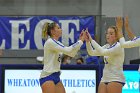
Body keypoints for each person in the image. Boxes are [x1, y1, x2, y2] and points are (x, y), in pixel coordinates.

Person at [39, 22, 85, 93]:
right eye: (58, 28)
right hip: (47, 76)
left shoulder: (58, 43)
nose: (61, 29)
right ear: (52, 31)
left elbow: (71, 53)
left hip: (56, 76)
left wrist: (80, 41)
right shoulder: (50, 42)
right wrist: (81, 41)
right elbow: (69, 50)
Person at [85, 27, 125, 93]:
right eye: (107, 33)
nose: (108, 35)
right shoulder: (106, 46)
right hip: (105, 78)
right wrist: (87, 42)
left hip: (116, 78)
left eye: (111, 33)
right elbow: (91, 52)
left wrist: (91, 40)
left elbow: (103, 52)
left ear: (116, 36)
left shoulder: (119, 46)